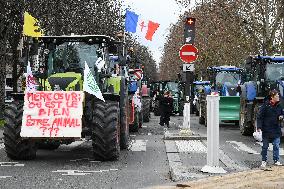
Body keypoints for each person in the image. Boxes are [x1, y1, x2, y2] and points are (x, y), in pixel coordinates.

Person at [257, 89, 283, 168]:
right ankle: (264, 161)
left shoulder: (279, 106)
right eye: (277, 96)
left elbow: (282, 113)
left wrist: (282, 117)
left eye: (278, 95)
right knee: (265, 147)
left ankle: (276, 160)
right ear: (272, 97)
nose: (278, 97)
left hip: (276, 129)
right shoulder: (265, 106)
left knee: (276, 145)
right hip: (266, 130)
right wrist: (259, 127)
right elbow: (260, 117)